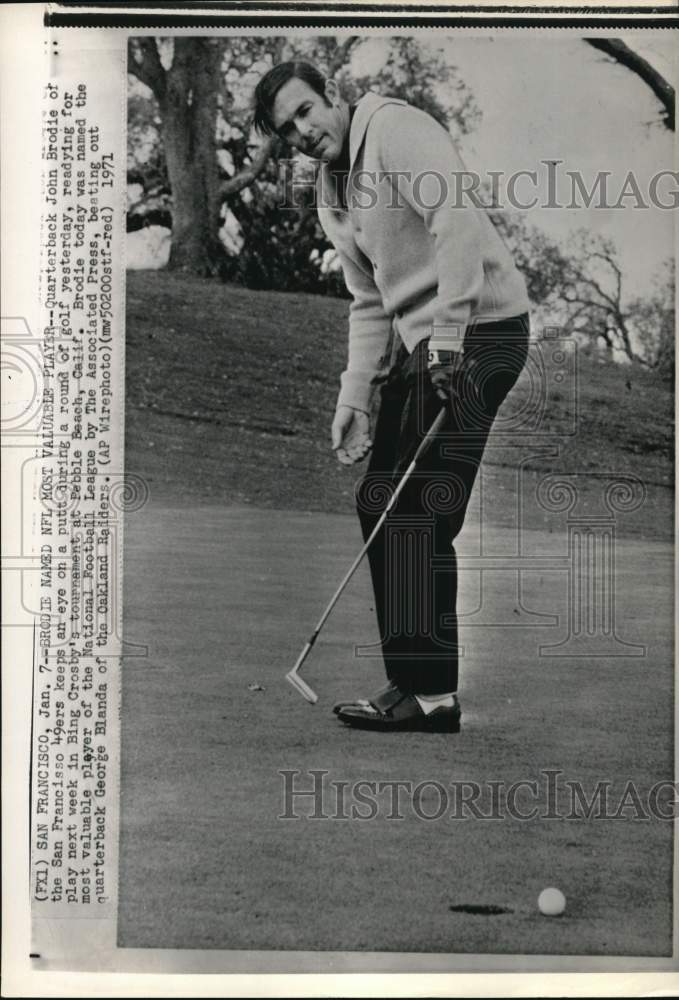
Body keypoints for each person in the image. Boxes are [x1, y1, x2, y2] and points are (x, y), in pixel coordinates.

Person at [254, 61, 530, 732]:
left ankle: (431, 696)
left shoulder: (396, 130)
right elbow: (369, 300)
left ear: (332, 95)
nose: (301, 132)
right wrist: (353, 397)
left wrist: (448, 338)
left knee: (420, 509)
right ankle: (410, 682)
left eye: (304, 111)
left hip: (482, 331)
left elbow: (456, 223)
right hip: (424, 343)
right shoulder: (331, 189)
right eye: (287, 130)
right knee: (379, 500)